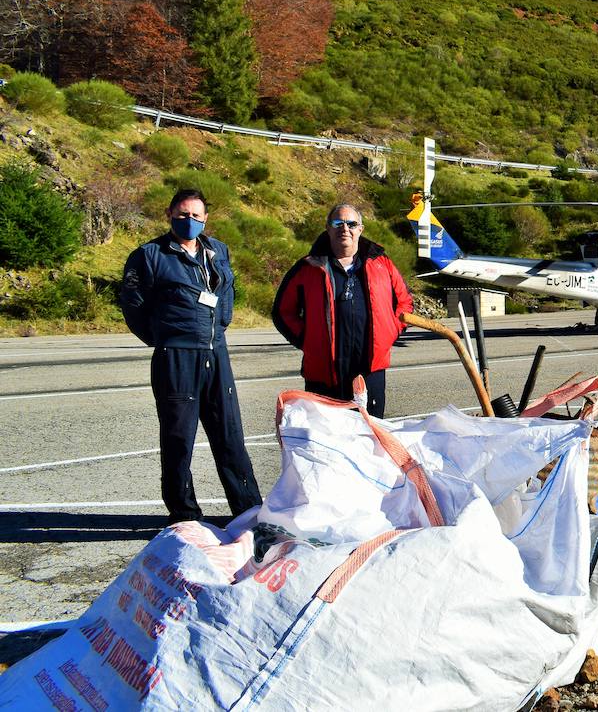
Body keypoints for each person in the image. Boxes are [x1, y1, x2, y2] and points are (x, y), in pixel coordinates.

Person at [119, 189, 261, 524]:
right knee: (179, 438)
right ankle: (184, 514)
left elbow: (226, 292)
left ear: (206, 218)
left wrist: (221, 324)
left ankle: (249, 510)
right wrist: (164, 337)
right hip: (177, 356)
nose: (190, 221)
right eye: (183, 214)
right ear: (169, 213)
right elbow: (133, 305)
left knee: (230, 435)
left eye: (196, 215)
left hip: (216, 352)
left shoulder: (217, 251)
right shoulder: (150, 255)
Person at [272, 204, 414, 417]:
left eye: (351, 224)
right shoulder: (308, 267)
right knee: (328, 441)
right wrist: (308, 341)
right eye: (338, 223)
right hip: (323, 374)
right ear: (328, 228)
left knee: (370, 438)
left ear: (360, 229)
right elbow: (283, 311)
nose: (344, 228)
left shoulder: (382, 264)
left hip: (370, 371)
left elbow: (405, 303)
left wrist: (389, 333)